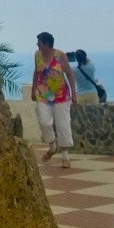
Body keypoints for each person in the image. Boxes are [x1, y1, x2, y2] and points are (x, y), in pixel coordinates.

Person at [31, 32, 78, 168]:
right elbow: (37, 72)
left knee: (63, 124)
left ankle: (65, 156)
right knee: (44, 121)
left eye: (39, 42)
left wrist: (74, 94)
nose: (37, 44)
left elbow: (69, 74)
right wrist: (34, 89)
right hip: (43, 94)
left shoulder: (60, 55)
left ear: (46, 43)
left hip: (61, 95)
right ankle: (52, 145)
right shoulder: (37, 55)